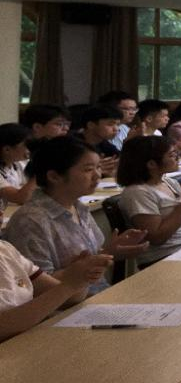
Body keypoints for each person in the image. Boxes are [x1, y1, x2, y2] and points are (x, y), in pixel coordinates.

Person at [4, 137, 148, 295]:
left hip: (97, 295)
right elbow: (35, 287)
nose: (97, 175)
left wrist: (110, 252)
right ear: (54, 176)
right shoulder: (30, 221)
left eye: (98, 167)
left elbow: (87, 260)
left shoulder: (78, 206)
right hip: (67, 306)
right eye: (88, 169)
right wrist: (78, 271)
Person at [116, 136, 181, 266]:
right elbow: (157, 238)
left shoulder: (170, 183)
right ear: (151, 164)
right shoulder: (137, 192)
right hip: (163, 257)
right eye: (171, 155)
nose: (177, 157)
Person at [0, 239, 111, 342]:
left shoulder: (5, 250)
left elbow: (70, 299)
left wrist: (83, 277)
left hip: (35, 342)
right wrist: (69, 286)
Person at [76, 106, 122, 178]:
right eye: (110, 124)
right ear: (91, 125)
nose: (116, 129)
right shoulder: (72, 144)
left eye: (118, 125)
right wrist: (94, 169)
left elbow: (120, 159)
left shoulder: (103, 143)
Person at [0, 123, 33, 206]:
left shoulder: (19, 164)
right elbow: (19, 197)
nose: (30, 149)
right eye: (27, 145)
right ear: (7, 150)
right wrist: (39, 171)